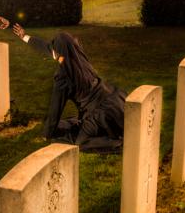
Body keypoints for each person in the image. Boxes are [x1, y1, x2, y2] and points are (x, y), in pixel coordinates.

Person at [12, 23, 126, 152]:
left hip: (101, 115)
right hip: (117, 101)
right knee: (66, 125)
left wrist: (46, 135)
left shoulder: (63, 77)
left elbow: (55, 109)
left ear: (60, 52)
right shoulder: (79, 57)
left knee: (80, 143)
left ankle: (119, 144)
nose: (53, 53)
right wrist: (25, 37)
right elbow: (50, 49)